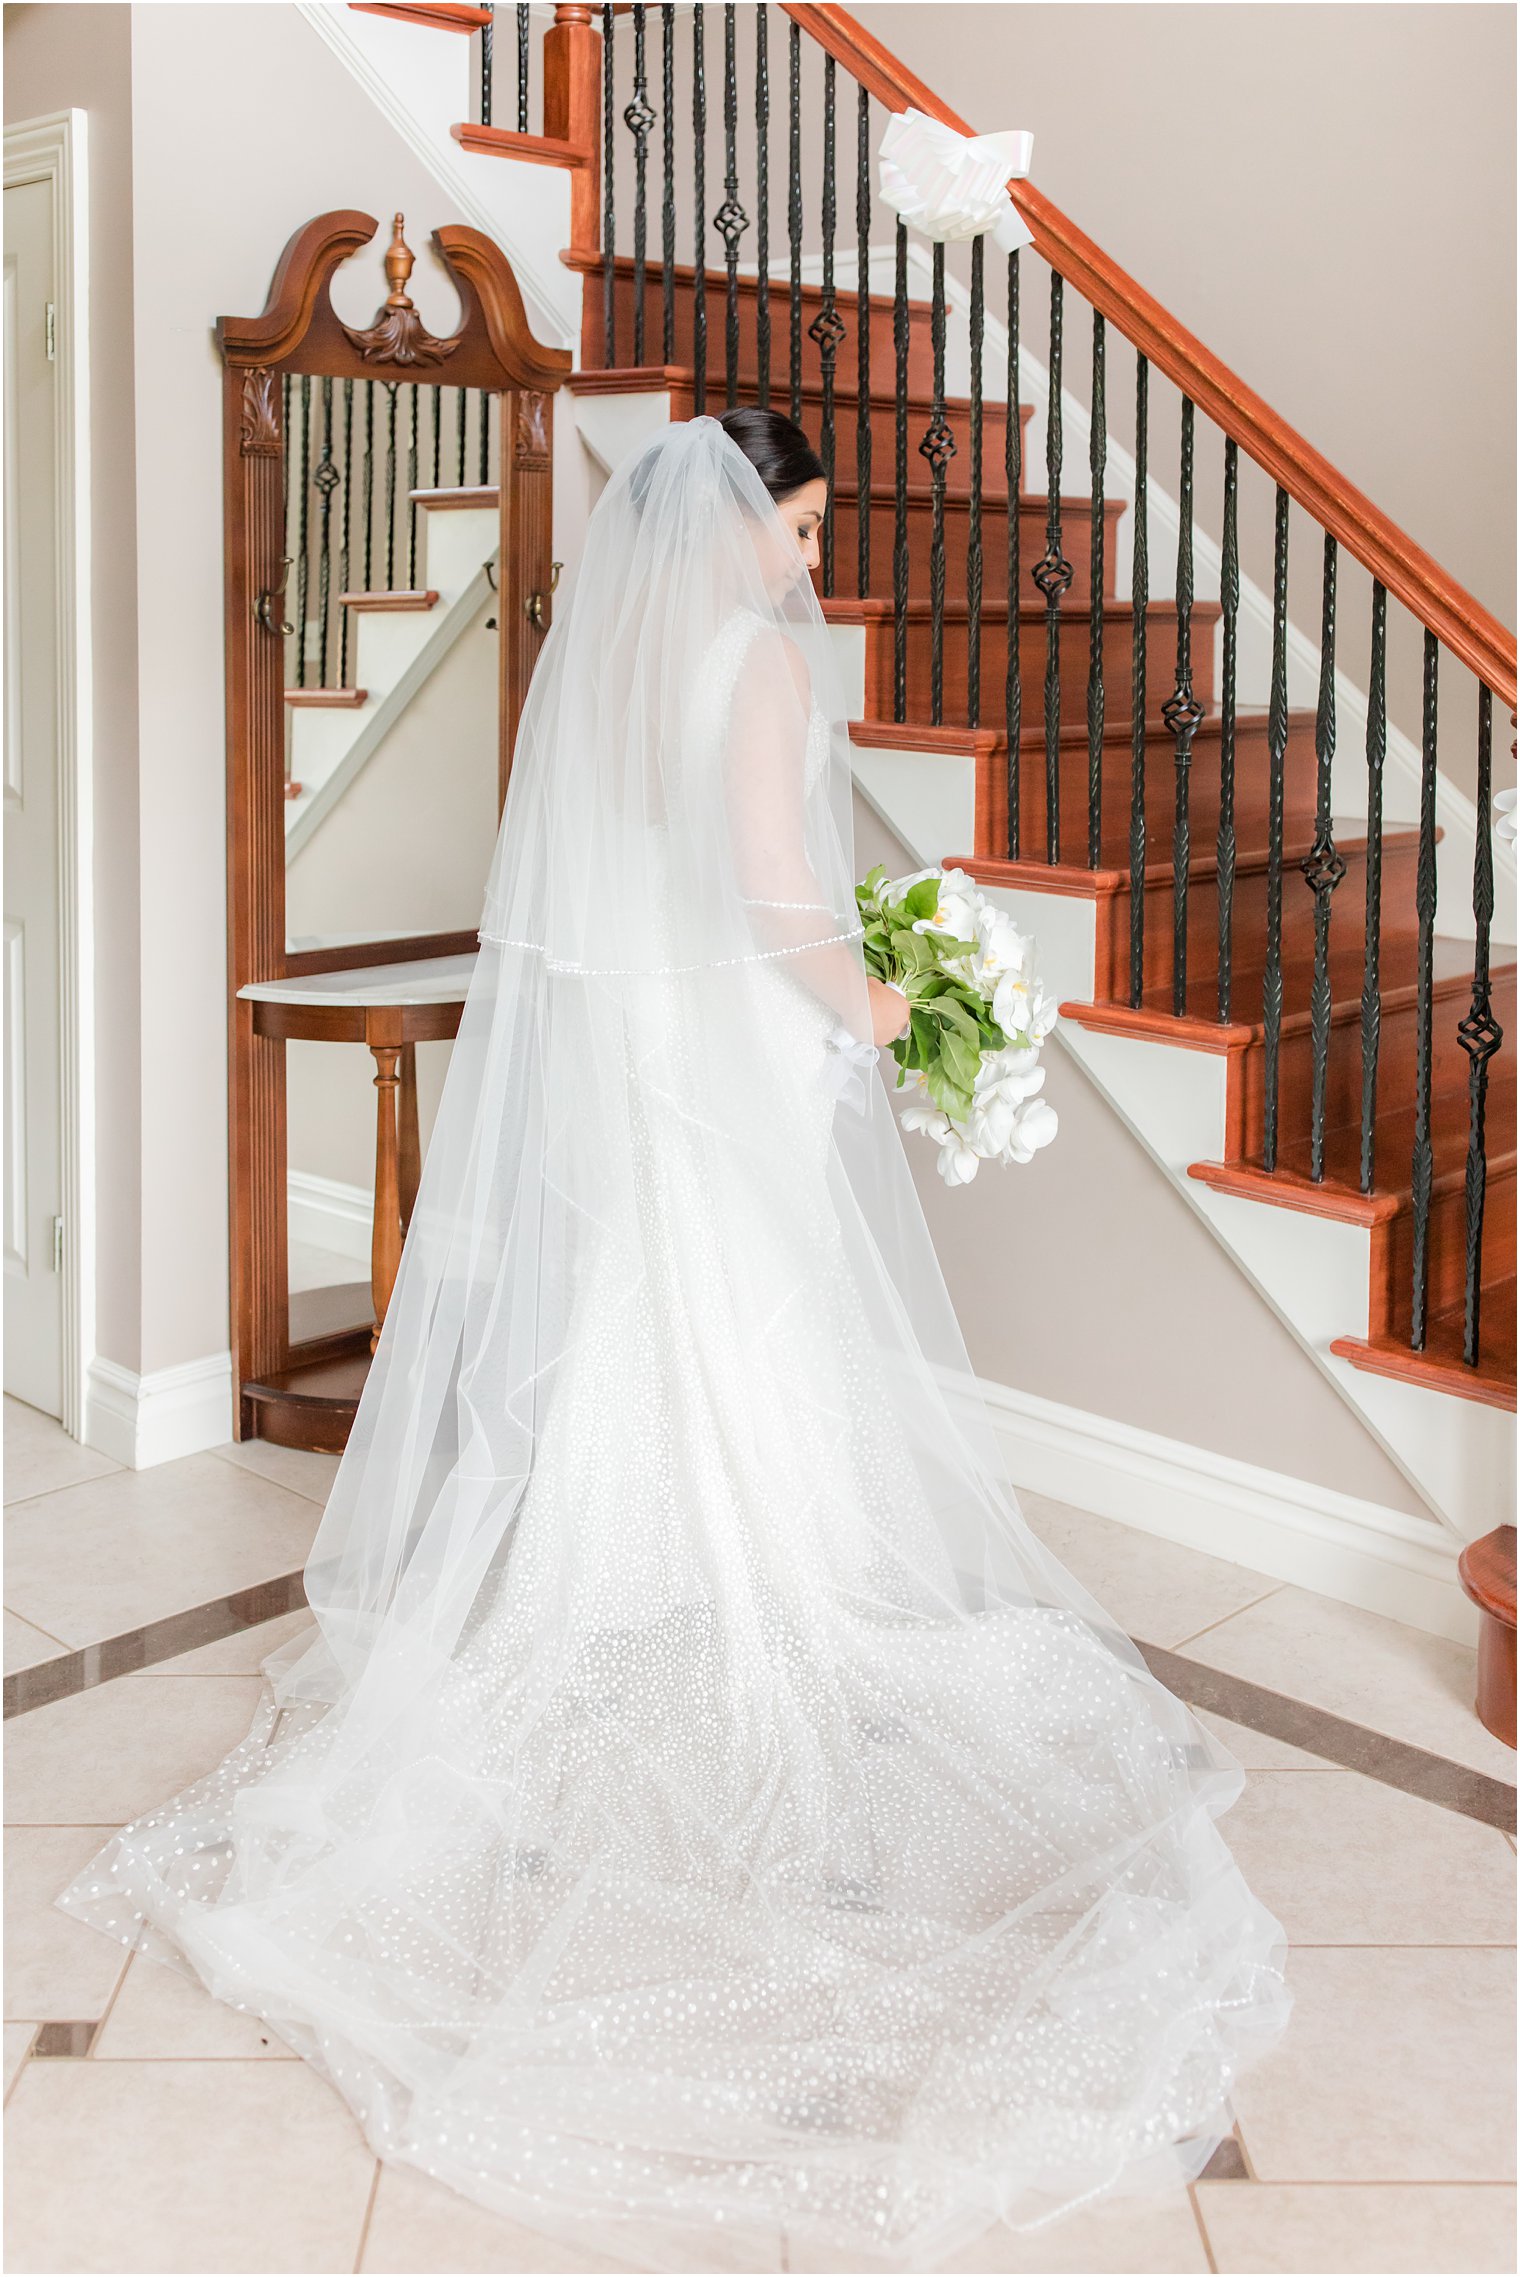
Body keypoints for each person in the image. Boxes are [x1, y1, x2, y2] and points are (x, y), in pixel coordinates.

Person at [60, 410, 1290, 2274]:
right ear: (735, 527)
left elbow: (629, 879)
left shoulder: (618, 664)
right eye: (794, 525)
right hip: (725, 1042)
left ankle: (607, 1569)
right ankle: (737, 1577)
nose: (806, 559)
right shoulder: (760, 664)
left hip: (645, 1054)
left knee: (662, 1308)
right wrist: (882, 996)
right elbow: (770, 902)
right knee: (750, 1315)